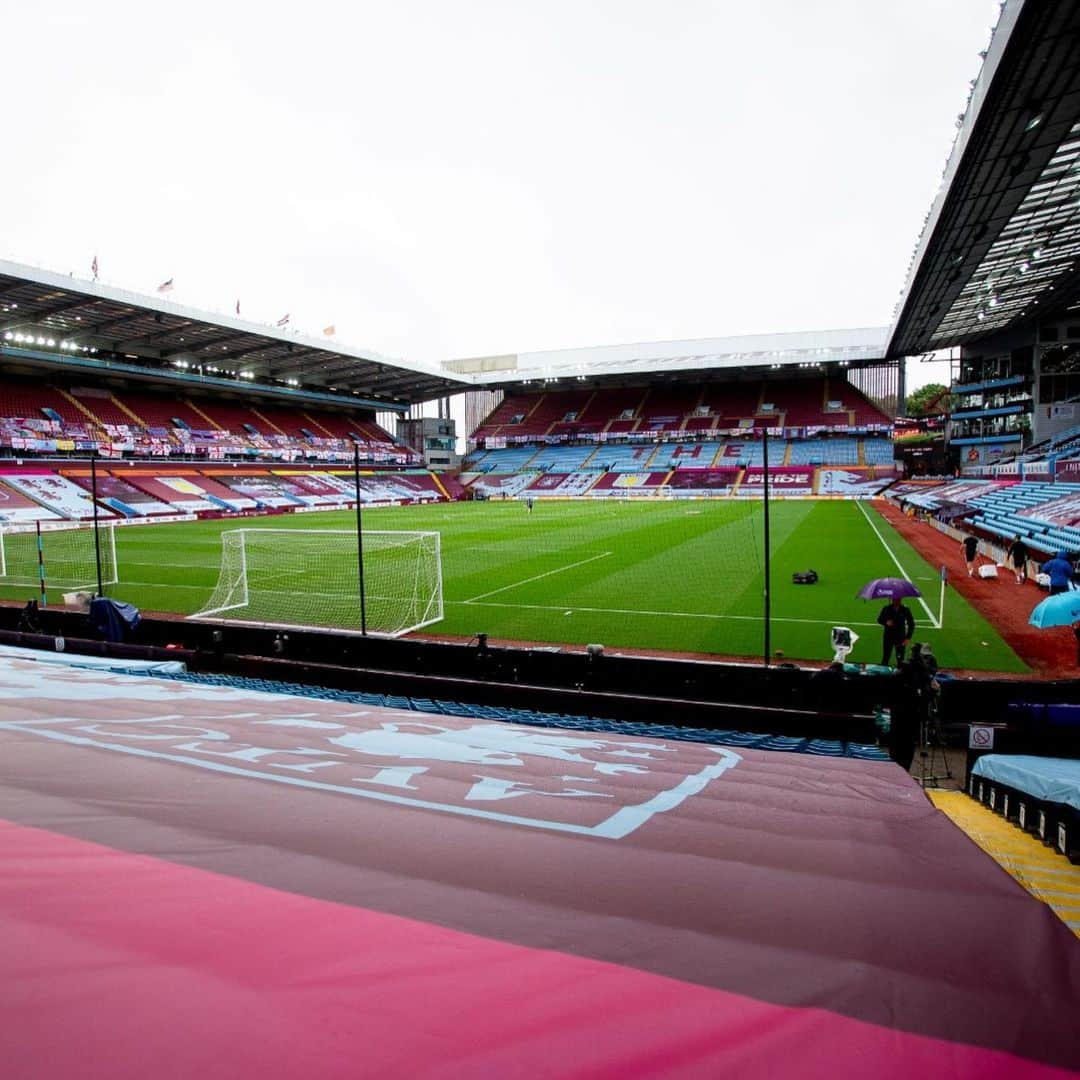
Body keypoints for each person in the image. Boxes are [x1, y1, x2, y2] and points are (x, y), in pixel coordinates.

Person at [877, 596, 915, 666]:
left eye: (898, 599)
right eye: (895, 599)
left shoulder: (905, 609)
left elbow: (911, 624)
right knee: (886, 657)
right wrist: (886, 622)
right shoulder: (886, 609)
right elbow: (879, 620)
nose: (897, 600)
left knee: (900, 659)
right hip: (888, 637)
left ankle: (900, 675)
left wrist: (908, 638)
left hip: (900, 638)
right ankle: (883, 674)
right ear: (892, 599)